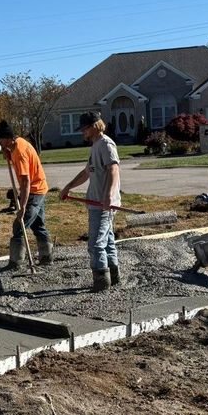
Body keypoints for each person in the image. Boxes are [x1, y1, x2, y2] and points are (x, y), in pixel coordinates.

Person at [59, 111, 121, 292]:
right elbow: (87, 172)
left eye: (84, 129)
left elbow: (113, 170)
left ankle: (101, 281)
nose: (82, 132)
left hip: (103, 204)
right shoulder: (95, 146)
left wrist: (108, 196)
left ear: (94, 126)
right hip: (95, 202)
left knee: (95, 244)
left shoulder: (106, 145)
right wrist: (68, 187)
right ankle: (114, 277)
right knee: (107, 241)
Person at [0, 120, 53, 269]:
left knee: (19, 226)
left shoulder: (19, 152)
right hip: (40, 187)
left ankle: (16, 262)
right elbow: (12, 157)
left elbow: (26, 181)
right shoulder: (17, 143)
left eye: (0, 139)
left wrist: (23, 206)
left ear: (7, 138)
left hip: (34, 191)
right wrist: (6, 152)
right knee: (38, 225)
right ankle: (46, 257)